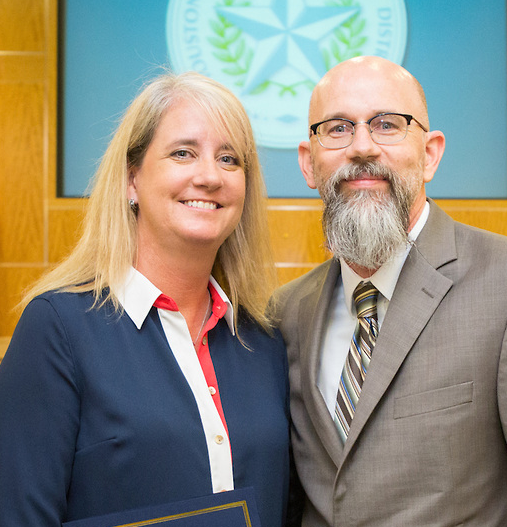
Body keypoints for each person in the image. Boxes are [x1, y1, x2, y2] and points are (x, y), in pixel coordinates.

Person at [273, 56, 507, 526]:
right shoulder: (287, 312)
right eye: (337, 128)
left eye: (386, 125)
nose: (362, 147)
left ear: (431, 153)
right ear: (308, 163)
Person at [0, 71, 290, 526]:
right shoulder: (57, 329)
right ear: (132, 179)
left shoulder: (266, 341)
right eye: (183, 153)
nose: (210, 176)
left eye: (230, 159)